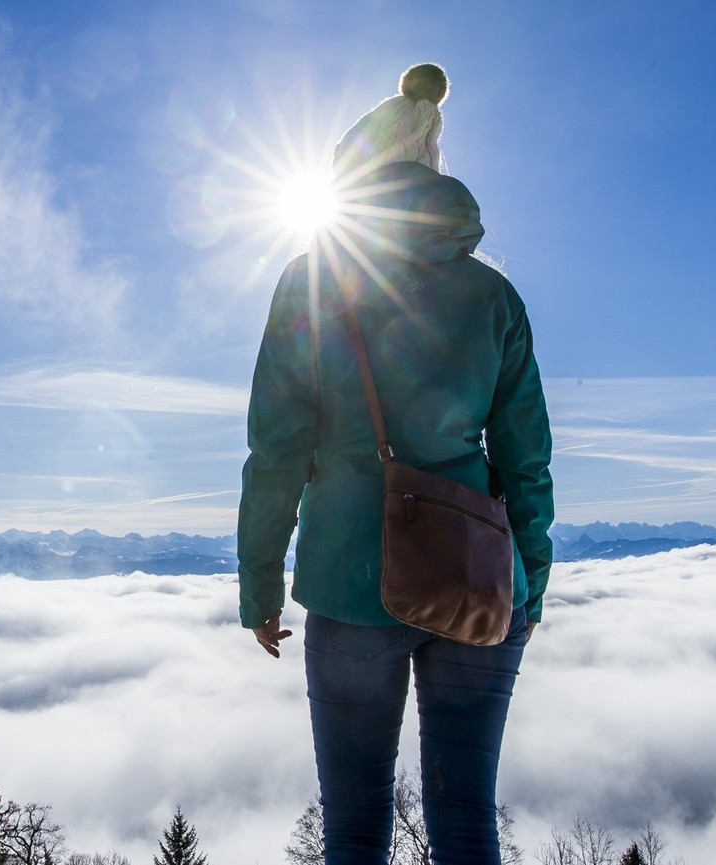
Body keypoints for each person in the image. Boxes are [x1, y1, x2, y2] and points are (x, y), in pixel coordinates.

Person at [237, 63, 554, 865]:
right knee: (464, 817)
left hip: (350, 580)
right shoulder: (493, 298)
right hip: (481, 578)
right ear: (433, 162)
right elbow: (527, 461)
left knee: (352, 826)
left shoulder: (309, 282)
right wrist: (530, 581)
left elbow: (276, 448)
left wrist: (260, 586)